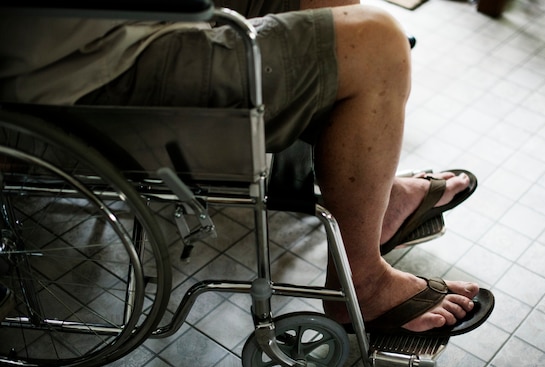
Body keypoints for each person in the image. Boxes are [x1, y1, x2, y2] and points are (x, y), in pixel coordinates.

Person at [0, 1, 489, 335]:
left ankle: (370, 200)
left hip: (105, 28)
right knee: (379, 44)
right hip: (85, 64)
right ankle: (359, 283)